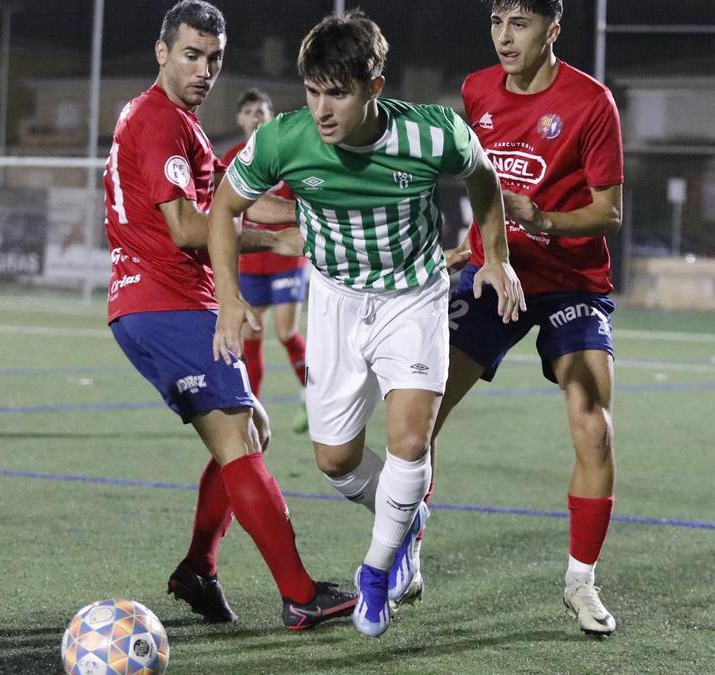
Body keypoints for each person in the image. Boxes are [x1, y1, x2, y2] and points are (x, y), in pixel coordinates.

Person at [208, 10, 524, 638]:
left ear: (374, 87)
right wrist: (227, 296)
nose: (322, 110)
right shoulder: (282, 141)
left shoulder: (433, 135)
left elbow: (484, 177)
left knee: (410, 441)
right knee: (334, 459)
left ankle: (377, 570)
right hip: (335, 301)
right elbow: (223, 205)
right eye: (313, 91)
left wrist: (499, 258)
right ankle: (406, 520)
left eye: (339, 93)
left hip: (414, 297)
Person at [102, 0, 355, 630]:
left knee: (253, 433)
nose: (204, 70)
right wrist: (273, 243)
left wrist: (310, 219)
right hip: (166, 303)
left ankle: (198, 570)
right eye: (191, 55)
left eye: (213, 59)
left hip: (160, 303)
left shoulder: (177, 123)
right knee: (241, 439)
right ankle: (299, 595)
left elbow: (234, 201)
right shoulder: (160, 121)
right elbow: (192, 226)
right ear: (162, 53)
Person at [434, 0, 625, 636]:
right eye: (496, 21)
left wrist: (539, 218)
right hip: (494, 274)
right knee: (420, 413)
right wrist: (476, 243)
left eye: (520, 23)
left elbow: (607, 213)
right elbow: (477, 180)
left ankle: (581, 583)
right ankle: (402, 551)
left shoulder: (592, 104)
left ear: (553, 29)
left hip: (570, 282)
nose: (504, 37)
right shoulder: (476, 90)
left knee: (592, 425)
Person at [219, 89, 310, 434]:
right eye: (248, 111)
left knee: (286, 331)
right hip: (252, 262)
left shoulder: (288, 155)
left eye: (262, 109)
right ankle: (251, 409)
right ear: (240, 119)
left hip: (286, 258)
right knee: (251, 336)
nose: (256, 115)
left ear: (271, 116)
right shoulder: (230, 158)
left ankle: (311, 396)